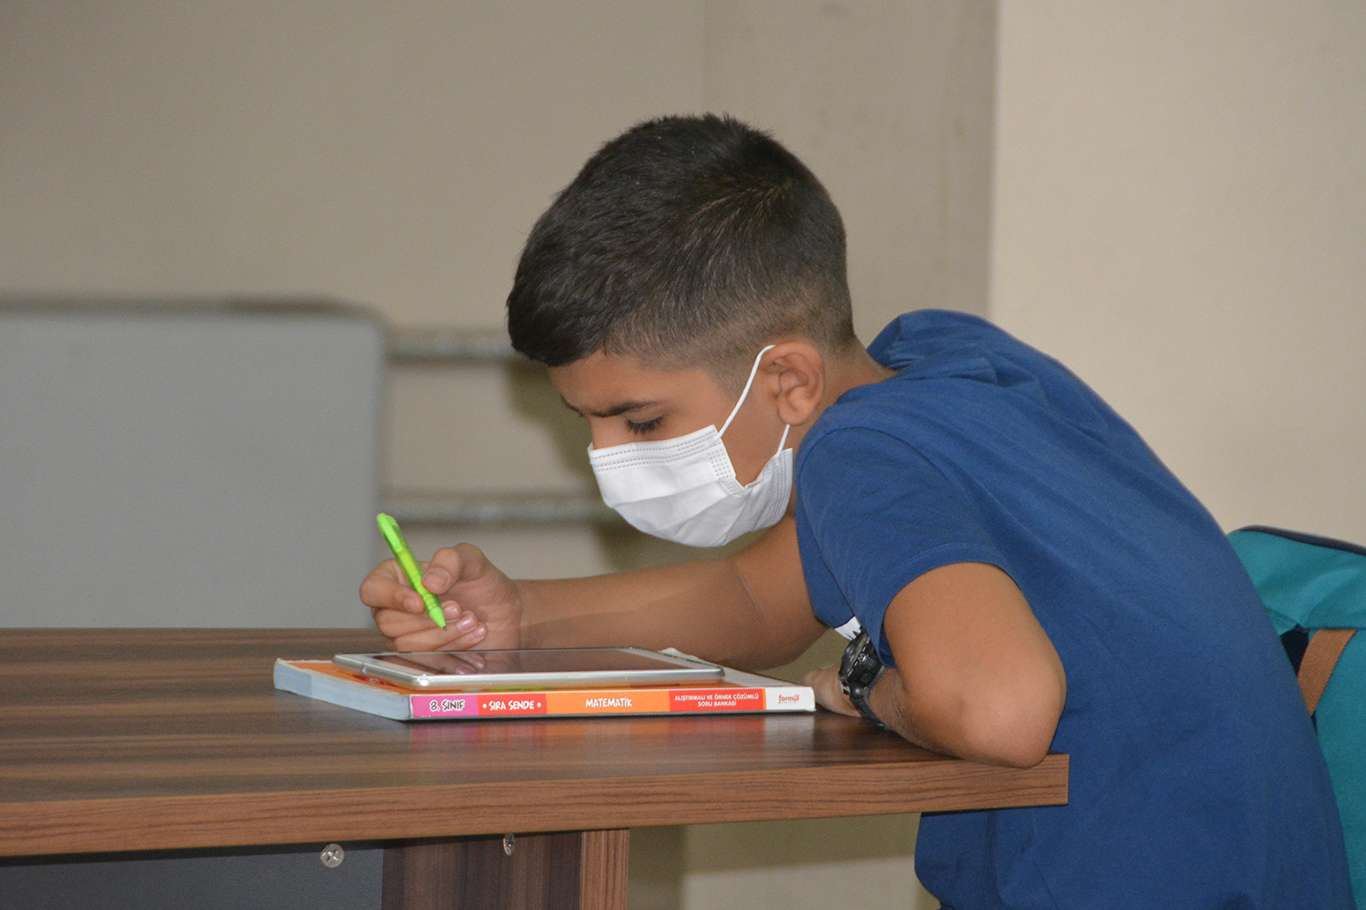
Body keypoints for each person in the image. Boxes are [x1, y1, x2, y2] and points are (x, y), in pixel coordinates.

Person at [360, 114, 1351, 908]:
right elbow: (761, 599)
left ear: (787, 379)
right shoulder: (948, 361)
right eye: (590, 424)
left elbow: (1002, 711)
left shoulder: (859, 453)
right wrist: (521, 615)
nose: (609, 459)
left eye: (641, 419)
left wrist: (866, 681)